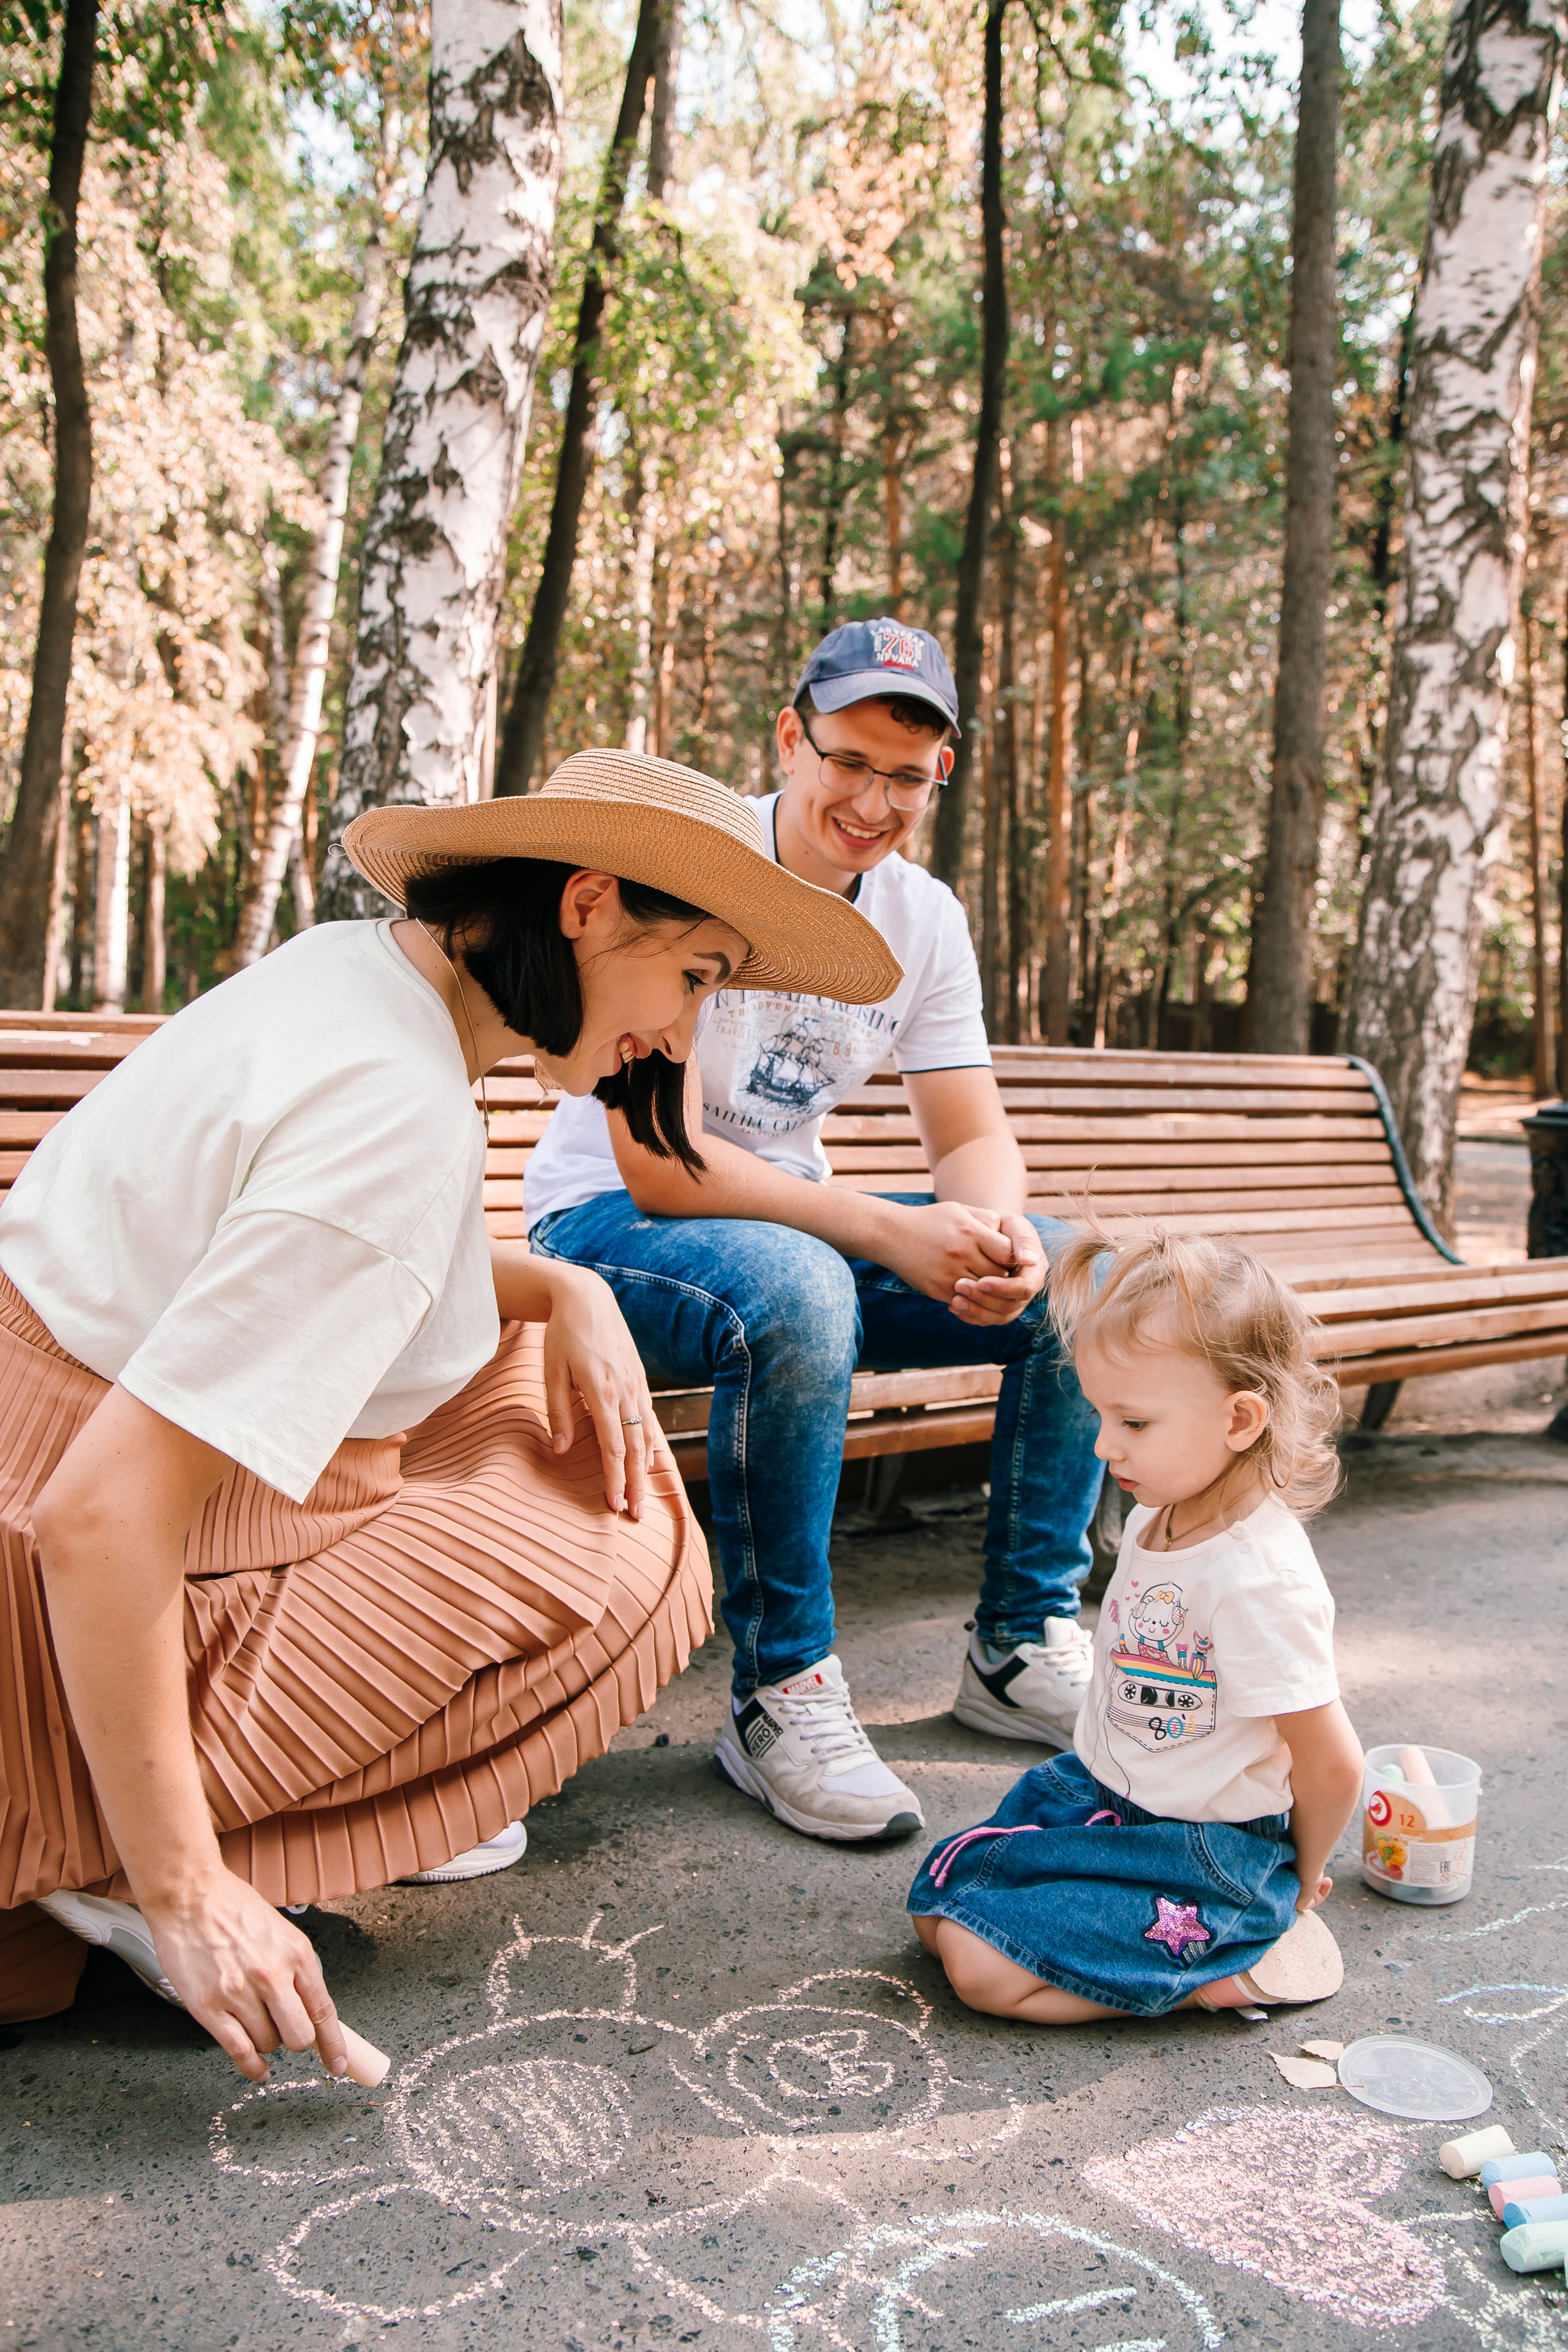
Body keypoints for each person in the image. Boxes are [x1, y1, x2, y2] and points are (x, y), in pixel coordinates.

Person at [0, 750, 899, 2078]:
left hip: (39, 1443)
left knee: (518, 1371)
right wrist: (188, 1894)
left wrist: (561, 1285)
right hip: (47, 1569)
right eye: (696, 978)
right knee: (630, 1552)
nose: (681, 1040)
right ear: (587, 904)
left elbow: (305, 1246)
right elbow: (99, 1520)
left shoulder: (347, 979)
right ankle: (121, 1847)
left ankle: (76, 1858)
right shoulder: (394, 1108)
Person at [525, 621, 1105, 1845]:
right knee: (801, 1290)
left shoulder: (920, 918)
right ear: (790, 738)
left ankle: (1017, 1647)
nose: (870, 799)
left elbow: (967, 1134)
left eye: (905, 776)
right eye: (847, 760)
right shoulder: (690, 862)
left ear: (936, 777)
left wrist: (995, 1233)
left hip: (787, 1222)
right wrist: (880, 1235)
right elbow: (662, 1162)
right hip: (610, 1229)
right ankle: (778, 1691)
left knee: (1077, 1280)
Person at [908, 1228, 1364, 2022]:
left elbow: (1333, 1765)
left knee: (982, 1972)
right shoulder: (1164, 1507)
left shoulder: (1260, 1580)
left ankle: (1225, 1974)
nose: (1100, 1444)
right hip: (1104, 1797)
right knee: (937, 1906)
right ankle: (1169, 1957)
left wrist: (1301, 1881)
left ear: (1240, 1419)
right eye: (1098, 1413)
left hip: (1201, 1854)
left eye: (1133, 1422)